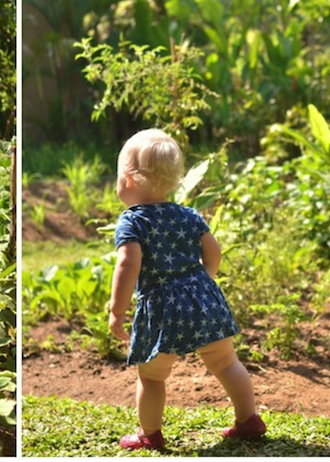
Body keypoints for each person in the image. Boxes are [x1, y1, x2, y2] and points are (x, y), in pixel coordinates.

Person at [109, 128, 266, 451]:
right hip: (203, 298)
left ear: (126, 179)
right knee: (226, 362)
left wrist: (117, 311)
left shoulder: (132, 221)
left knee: (152, 376)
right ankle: (248, 419)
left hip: (164, 310)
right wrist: (203, 279)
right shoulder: (189, 215)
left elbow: (128, 265)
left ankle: (149, 435)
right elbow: (215, 252)